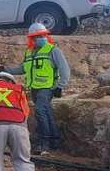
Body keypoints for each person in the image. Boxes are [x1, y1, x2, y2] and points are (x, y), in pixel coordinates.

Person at [8, 23, 71, 154]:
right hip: (34, 89)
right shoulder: (29, 52)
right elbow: (23, 68)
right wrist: (6, 70)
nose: (42, 38)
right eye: (38, 36)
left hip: (47, 88)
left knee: (40, 112)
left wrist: (60, 86)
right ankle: (55, 141)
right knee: (46, 113)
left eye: (43, 35)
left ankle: (44, 144)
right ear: (32, 38)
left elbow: (65, 70)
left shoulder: (53, 50)